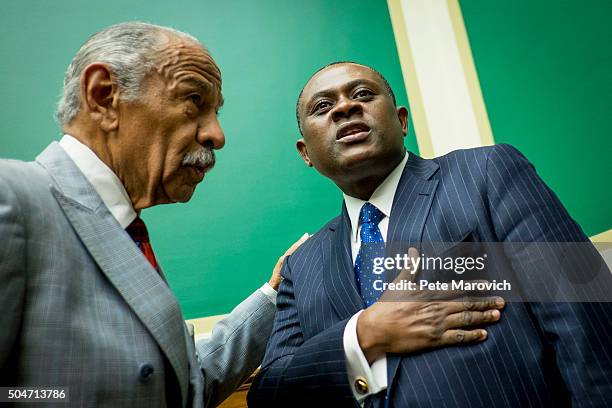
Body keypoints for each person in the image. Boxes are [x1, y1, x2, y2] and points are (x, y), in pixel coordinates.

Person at [248, 62, 612, 407]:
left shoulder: (486, 174)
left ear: (402, 120)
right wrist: (363, 335)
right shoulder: (301, 265)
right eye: (324, 105)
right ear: (305, 154)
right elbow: (269, 392)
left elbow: (583, 321)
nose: (345, 107)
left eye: (362, 94)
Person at [0, 22, 307, 407]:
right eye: (194, 100)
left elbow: (182, 388)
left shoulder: (127, 233)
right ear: (103, 97)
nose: (217, 135)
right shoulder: (11, 199)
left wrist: (273, 295)